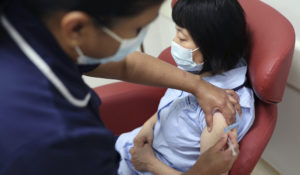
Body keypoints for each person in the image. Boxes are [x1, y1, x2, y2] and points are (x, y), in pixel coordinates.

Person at [0, 0, 240, 174]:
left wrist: (196, 85)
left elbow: (125, 64)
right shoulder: (58, 140)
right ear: (76, 29)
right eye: (137, 29)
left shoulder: (27, 20)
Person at [116, 0, 254, 174]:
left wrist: (149, 163)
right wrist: (149, 125)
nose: (174, 42)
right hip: (131, 148)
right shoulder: (196, 68)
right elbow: (176, 102)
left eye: (181, 37)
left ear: (212, 46)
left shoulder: (222, 114)